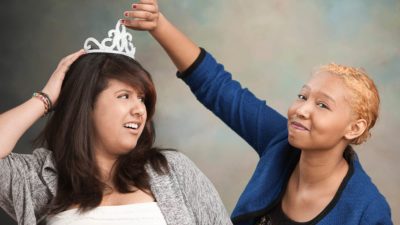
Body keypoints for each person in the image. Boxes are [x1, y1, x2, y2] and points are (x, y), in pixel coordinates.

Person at [121, 1, 393, 224]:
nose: (301, 110)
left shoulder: (368, 210)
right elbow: (218, 88)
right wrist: (159, 25)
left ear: (354, 128)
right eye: (302, 96)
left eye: (322, 105)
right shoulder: (279, 141)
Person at [0, 20, 232, 225]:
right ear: (86, 104)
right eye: (124, 96)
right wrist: (46, 98)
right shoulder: (40, 178)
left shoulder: (172, 170)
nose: (140, 109)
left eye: (141, 98)